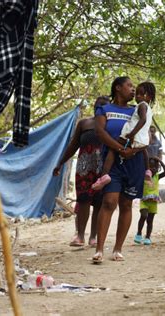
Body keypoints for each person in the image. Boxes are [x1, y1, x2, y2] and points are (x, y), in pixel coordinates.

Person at [92, 76, 146, 263]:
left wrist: (133, 150)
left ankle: (118, 249)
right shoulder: (104, 110)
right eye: (129, 86)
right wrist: (120, 148)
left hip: (134, 160)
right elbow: (100, 132)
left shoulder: (138, 110)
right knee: (109, 201)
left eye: (134, 87)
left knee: (126, 204)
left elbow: (145, 135)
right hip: (112, 160)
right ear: (117, 88)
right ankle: (99, 249)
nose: (133, 90)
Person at [53, 96, 110, 247]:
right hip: (84, 169)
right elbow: (73, 145)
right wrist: (59, 163)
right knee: (83, 200)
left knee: (99, 203)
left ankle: (93, 237)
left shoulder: (111, 126)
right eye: (98, 106)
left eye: (104, 106)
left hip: (103, 169)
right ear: (94, 107)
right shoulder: (84, 123)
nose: (101, 109)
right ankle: (80, 236)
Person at [91, 82, 156, 190]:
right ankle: (147, 170)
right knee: (143, 150)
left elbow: (143, 120)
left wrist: (132, 134)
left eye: (140, 94)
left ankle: (104, 175)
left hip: (134, 137)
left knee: (114, 147)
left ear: (148, 96)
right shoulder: (148, 109)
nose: (137, 95)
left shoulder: (141, 106)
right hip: (142, 141)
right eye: (137, 94)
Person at [134, 157, 165, 245]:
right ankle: (138, 234)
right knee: (143, 216)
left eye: (156, 167)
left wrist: (160, 161)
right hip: (144, 201)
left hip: (153, 202)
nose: (153, 168)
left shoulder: (157, 176)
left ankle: (148, 237)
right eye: (151, 166)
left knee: (150, 221)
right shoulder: (143, 176)